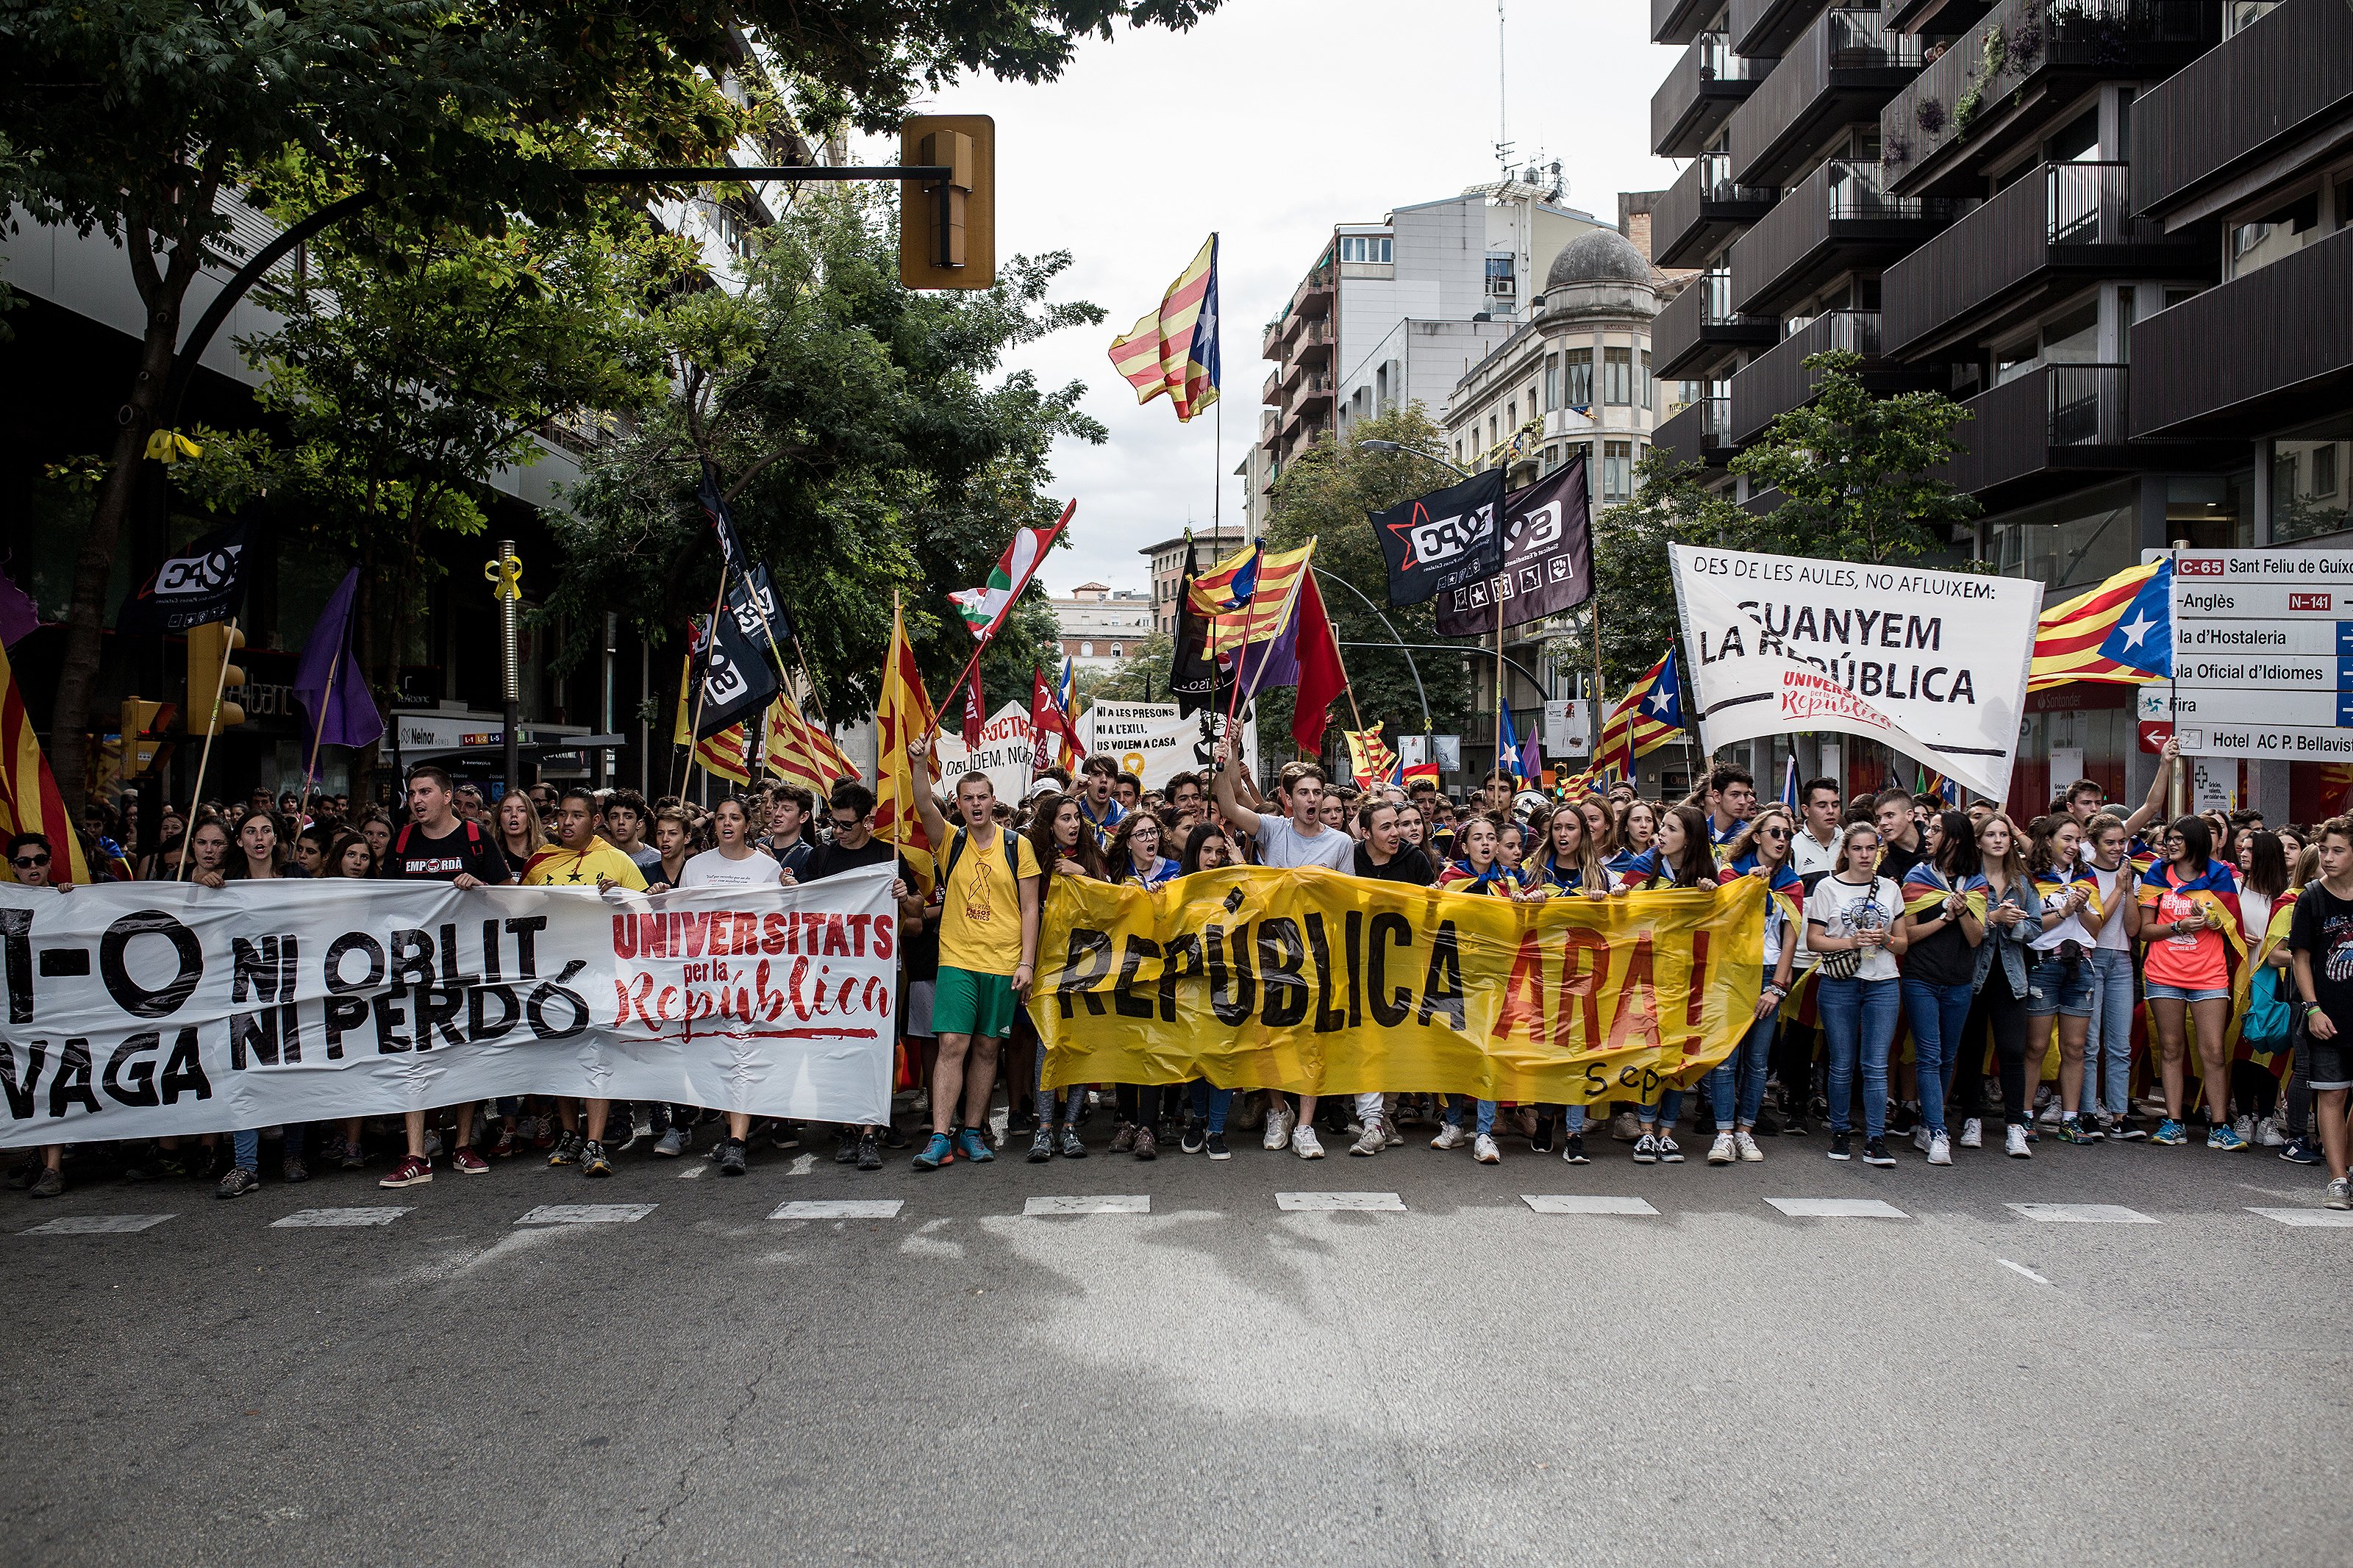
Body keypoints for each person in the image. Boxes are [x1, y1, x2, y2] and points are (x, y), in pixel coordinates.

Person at [1213, 740, 1352, 1158]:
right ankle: (1279, 1110)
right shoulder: (1273, 830)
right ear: (1288, 800)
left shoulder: (1341, 844)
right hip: (1271, 948)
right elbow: (1229, 805)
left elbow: (1349, 899)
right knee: (1268, 1032)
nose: (1312, 799)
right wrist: (1225, 761)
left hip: (1319, 951)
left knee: (1310, 1036)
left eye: (1317, 793)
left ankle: (1306, 1125)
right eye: (1304, 793)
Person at [907, 736, 1040, 1172]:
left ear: (993, 800)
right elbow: (924, 805)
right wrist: (921, 763)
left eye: (983, 797)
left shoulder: (1017, 845)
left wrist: (1026, 963)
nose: (977, 805)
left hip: (1004, 962)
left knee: (987, 1049)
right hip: (958, 959)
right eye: (968, 799)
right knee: (951, 1043)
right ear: (959, 805)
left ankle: (972, 1131)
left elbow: (1029, 907)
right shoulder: (951, 841)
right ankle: (939, 1136)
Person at [376, 766, 514, 1189]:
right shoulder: (403, 840)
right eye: (412, 793)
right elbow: (382, 901)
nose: (417, 801)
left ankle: (463, 1143)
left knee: (464, 1052)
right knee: (415, 1055)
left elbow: (509, 891)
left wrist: (482, 886)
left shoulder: (475, 838)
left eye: (425, 792)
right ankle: (416, 1154)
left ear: (447, 795)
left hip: (466, 966)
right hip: (415, 968)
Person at [521, 786, 649, 1177]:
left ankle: (595, 1139)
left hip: (601, 972)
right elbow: (516, 910)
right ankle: (569, 1133)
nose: (566, 822)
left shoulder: (617, 860)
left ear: (594, 821)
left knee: (596, 1051)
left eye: (576, 815)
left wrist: (623, 897)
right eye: (562, 815)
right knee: (561, 1048)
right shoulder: (540, 862)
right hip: (553, 971)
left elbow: (646, 913)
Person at [803, 780, 915, 1172]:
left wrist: (906, 895)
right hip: (833, 971)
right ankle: (849, 1128)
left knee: (877, 1046)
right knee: (839, 1045)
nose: (837, 832)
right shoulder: (819, 858)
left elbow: (917, 914)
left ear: (868, 822)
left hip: (879, 971)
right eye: (832, 823)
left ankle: (870, 1130)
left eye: (846, 825)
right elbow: (800, 912)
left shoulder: (890, 857)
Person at [1615, 805, 1719, 1164]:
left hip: (1688, 976)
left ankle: (1667, 1131)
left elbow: (1719, 919)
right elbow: (1621, 908)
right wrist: (1617, 897)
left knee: (1677, 1055)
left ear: (1689, 840)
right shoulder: (1645, 866)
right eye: (1664, 827)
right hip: (1646, 973)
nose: (1660, 834)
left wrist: (1711, 893)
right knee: (1649, 1052)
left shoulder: (1706, 873)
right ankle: (1646, 1129)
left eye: (1671, 829)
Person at [2139, 814, 2243, 1148]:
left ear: (2197, 842)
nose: (2171, 843)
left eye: (2179, 839)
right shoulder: (2157, 873)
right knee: (2171, 1048)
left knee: (2213, 1050)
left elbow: (2231, 926)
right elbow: (2145, 930)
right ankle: (2174, 1122)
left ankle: (2220, 1124)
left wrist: (2212, 918)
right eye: (2169, 837)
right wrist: (2179, 927)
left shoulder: (2221, 876)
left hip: (2209, 975)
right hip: (2163, 973)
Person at [1805, 822, 1907, 1165]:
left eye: (1871, 849)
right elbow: (1814, 941)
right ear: (1845, 851)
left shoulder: (1891, 889)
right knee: (1842, 1062)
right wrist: (1851, 941)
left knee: (1876, 1064)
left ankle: (1876, 1138)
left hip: (1883, 982)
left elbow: (1904, 943)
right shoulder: (1827, 887)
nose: (1865, 855)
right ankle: (1840, 1131)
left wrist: (1886, 939)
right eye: (1858, 849)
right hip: (1839, 982)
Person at [1020, 791, 1107, 1159]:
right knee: (1047, 1044)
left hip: (1087, 967)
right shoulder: (1035, 862)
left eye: (1077, 818)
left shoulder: (1092, 856)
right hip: (1047, 967)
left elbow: (1111, 902)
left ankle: (1069, 1127)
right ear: (1050, 825)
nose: (1074, 825)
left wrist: (1082, 874)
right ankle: (1044, 1128)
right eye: (1065, 819)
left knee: (1079, 1043)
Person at [1710, 807, 1799, 1165]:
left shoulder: (1792, 881)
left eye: (1787, 835)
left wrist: (1777, 985)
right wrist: (1752, 885)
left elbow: (1790, 937)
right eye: (1774, 832)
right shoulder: (1732, 873)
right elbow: (1726, 920)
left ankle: (1746, 1131)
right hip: (1732, 973)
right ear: (1757, 836)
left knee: (1758, 1061)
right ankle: (1723, 1133)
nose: (1781, 839)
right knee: (1726, 1059)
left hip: (1766, 975)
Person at [1896, 810, 1985, 1167]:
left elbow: (1977, 938)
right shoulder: (1917, 876)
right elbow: (1908, 935)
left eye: (1936, 830)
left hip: (1959, 981)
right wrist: (1944, 917)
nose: (1927, 834)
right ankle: (1937, 1130)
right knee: (1929, 1055)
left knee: (1948, 1056)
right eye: (1928, 828)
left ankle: (1928, 1124)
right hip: (1921, 978)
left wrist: (1963, 912)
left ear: (1956, 839)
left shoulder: (1976, 882)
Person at [1430, 815, 1519, 1163]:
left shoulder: (1511, 882)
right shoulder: (1450, 880)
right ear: (1464, 847)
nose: (1485, 843)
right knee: (1455, 1051)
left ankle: (1483, 1132)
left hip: (1493, 979)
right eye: (1477, 838)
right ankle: (1453, 1124)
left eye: (1491, 837)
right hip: (1453, 978)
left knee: (1487, 1052)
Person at [2286, 816, 2353, 1209]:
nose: (2327, 858)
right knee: (2332, 1094)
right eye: (2324, 849)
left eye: (2337, 850)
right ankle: (2337, 1180)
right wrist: (2312, 1008)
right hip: (2326, 1013)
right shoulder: (2311, 896)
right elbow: (2301, 957)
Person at [2023, 815, 2102, 1142]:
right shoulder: (2030, 876)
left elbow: (2097, 928)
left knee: (2075, 1047)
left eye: (2077, 840)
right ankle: (2024, 1116)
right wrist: (2065, 911)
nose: (2073, 846)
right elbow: (2028, 927)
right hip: (2043, 964)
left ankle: (2070, 1119)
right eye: (2067, 839)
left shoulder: (2087, 876)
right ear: (2048, 840)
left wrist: (2081, 909)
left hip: (2081, 965)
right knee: (2036, 1046)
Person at [1972, 813, 2046, 1159]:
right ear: (1979, 841)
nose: (1999, 840)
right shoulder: (1969, 879)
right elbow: (1964, 925)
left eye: (2004, 834)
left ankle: (2016, 1125)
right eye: (1991, 834)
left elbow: (2036, 927)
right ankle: (1972, 1118)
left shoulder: (2022, 881)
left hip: (2012, 977)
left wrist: (2015, 925)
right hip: (1974, 976)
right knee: (1971, 1051)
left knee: (2013, 1051)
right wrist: (1993, 919)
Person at [7, 834, 68, 1198]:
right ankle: (38, 1155)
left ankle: (53, 1167)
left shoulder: (65, 899)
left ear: (49, 862)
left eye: (40, 860)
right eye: (25, 862)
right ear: (13, 868)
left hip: (56, 1007)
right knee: (26, 1083)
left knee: (51, 1080)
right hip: (17, 1013)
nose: (34, 868)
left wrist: (72, 902)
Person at [2079, 812, 2145, 1140]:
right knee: (2089, 1043)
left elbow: (2133, 929)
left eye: (2123, 842)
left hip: (2121, 960)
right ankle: (2087, 1111)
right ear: (2093, 844)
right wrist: (2119, 889)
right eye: (2110, 843)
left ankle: (2119, 1114)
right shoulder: (2085, 874)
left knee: (2120, 1044)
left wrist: (2129, 889)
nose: (2118, 848)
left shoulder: (2130, 876)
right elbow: (2098, 922)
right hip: (2091, 956)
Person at [1107, 812, 1179, 890]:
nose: (1150, 838)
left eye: (1153, 832)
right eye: (1141, 834)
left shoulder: (1175, 871)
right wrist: (1120, 896)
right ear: (1129, 843)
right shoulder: (1115, 872)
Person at [601, 788, 662, 878]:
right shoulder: (600, 860)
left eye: (628, 817)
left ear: (639, 823)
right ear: (607, 825)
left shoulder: (658, 860)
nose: (621, 822)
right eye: (614, 817)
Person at [760, 785, 816, 881]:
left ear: (803, 817)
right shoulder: (756, 846)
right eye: (775, 807)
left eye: (787, 809)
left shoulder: (808, 857)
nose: (777, 813)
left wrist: (773, 868)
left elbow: (806, 894)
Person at [1871, 789, 1928, 884]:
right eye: (1879, 818)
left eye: (1890, 815)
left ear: (1909, 815)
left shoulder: (1937, 847)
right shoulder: (1886, 869)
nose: (1882, 823)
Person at [1075, 755, 1127, 846]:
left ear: (1115, 784)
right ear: (1086, 780)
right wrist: (1069, 794)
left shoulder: (1126, 822)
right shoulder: (1074, 816)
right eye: (1096, 774)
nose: (1104, 780)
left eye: (1109, 775)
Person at [1704, 765, 1757, 846]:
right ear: (1717, 796)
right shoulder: (1699, 832)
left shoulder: (1749, 836)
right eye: (1735, 795)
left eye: (1746, 795)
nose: (1743, 802)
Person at [646, 806, 693, 892]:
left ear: (687, 838)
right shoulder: (644, 872)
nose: (665, 839)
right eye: (660, 833)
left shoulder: (695, 873)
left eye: (672, 833)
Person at [496, 789, 546, 867]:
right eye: (507, 810)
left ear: (530, 818)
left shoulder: (545, 855)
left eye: (521, 810)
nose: (514, 814)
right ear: (498, 818)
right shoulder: (491, 856)